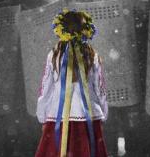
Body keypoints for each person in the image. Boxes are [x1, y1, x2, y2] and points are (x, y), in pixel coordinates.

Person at [35, 9, 108, 157]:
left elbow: (45, 88)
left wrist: (42, 114)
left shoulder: (54, 54)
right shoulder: (92, 54)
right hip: (87, 116)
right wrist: (103, 112)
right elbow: (100, 88)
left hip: (58, 116)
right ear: (85, 29)